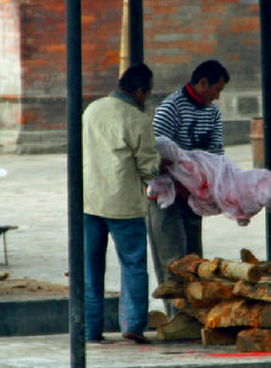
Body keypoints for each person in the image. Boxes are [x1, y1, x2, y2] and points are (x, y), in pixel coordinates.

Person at [82, 64, 161, 344]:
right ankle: (133, 325)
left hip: (88, 201)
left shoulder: (92, 110)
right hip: (124, 205)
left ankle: (90, 330)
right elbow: (149, 168)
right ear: (140, 91)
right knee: (133, 265)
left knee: (90, 269)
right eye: (147, 93)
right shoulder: (137, 119)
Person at [147, 60, 228, 290]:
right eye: (216, 90)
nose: (217, 97)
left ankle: (193, 318)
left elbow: (216, 154)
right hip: (166, 197)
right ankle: (175, 319)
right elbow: (156, 154)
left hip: (193, 196)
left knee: (194, 262)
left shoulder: (212, 112)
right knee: (172, 263)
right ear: (203, 83)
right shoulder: (170, 108)